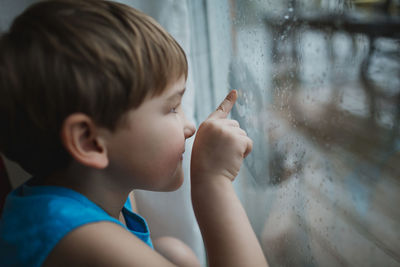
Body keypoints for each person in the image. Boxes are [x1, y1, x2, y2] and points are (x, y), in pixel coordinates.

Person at [0, 0, 268, 266]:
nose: (190, 127)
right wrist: (212, 184)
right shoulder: (78, 236)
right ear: (89, 142)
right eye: (173, 107)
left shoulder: (92, 194)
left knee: (177, 253)